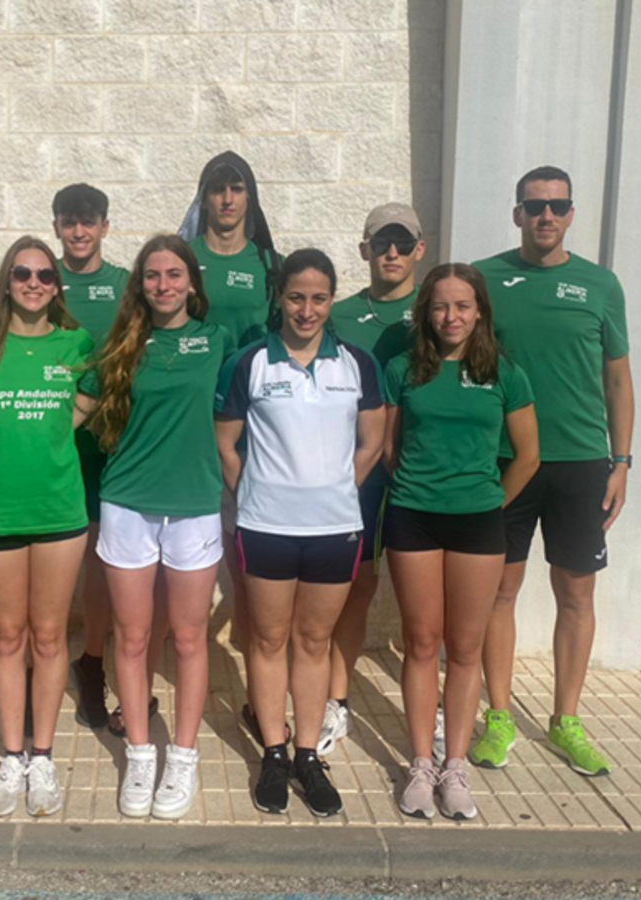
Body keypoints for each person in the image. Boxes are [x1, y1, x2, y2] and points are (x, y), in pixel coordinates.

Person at [471, 166, 634, 776]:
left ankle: (566, 719)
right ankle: (501, 716)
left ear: (571, 214)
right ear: (517, 213)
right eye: (534, 205)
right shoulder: (485, 279)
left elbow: (617, 378)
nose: (545, 215)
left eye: (557, 206)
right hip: (505, 461)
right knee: (498, 593)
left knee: (575, 594)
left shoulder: (600, 285)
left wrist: (621, 462)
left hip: (581, 463)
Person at [216, 249, 385, 817]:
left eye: (317, 298)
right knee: (266, 642)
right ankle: (272, 752)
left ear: (331, 299)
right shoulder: (250, 363)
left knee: (314, 644)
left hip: (335, 528)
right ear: (278, 298)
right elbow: (226, 443)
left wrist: (333, 489)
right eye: (295, 297)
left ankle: (307, 755)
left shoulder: (357, 364)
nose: (306, 310)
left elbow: (372, 442)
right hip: (265, 526)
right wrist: (259, 493)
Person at [80, 234, 235, 820]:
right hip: (126, 503)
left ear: (192, 282)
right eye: (152, 275)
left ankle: (185, 756)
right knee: (134, 636)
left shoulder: (218, 342)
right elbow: (76, 408)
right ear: (139, 283)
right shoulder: (120, 343)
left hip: (194, 504)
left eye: (174, 275)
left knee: (191, 639)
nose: (163, 285)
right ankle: (141, 753)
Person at [383, 264, 539, 820]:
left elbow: (528, 456)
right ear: (426, 312)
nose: (451, 317)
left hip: (478, 523)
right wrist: (419, 487)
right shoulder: (403, 370)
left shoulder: (504, 373)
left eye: (463, 307)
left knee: (465, 649)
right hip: (413, 519)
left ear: (480, 312)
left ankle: (455, 768)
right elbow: (388, 446)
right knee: (422, 643)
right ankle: (421, 765)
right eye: (441, 307)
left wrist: (490, 501)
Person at [0, 236, 94, 817]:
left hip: (60, 512)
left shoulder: (77, 342)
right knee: (7, 638)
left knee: (50, 636)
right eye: (21, 273)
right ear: (5, 282)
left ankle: (43, 756)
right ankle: (11, 757)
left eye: (43, 274)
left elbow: (87, 403)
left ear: (56, 286)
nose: (33, 283)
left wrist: (56, 438)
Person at [178, 150, 280, 746]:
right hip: (189, 429)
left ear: (249, 197)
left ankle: (253, 691)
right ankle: (177, 673)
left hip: (250, 434)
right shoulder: (183, 261)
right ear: (204, 196)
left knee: (246, 569)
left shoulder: (268, 263)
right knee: (184, 565)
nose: (226, 199)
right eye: (216, 188)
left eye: (236, 188)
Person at [321, 203, 429, 760]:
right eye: (380, 243)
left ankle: (429, 712)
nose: (391, 253)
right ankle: (337, 701)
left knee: (426, 603)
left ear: (419, 250)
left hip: (425, 478)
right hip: (358, 475)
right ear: (364, 250)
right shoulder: (337, 316)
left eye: (401, 243)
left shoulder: (440, 310)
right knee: (355, 589)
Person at [52, 183, 130, 731]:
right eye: (69, 221)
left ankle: (94, 661)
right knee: (54, 563)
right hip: (51, 444)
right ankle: (45, 662)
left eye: (88, 221)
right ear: (56, 225)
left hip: (112, 444)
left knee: (103, 563)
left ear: (104, 226)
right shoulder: (38, 280)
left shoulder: (125, 285)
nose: (79, 231)